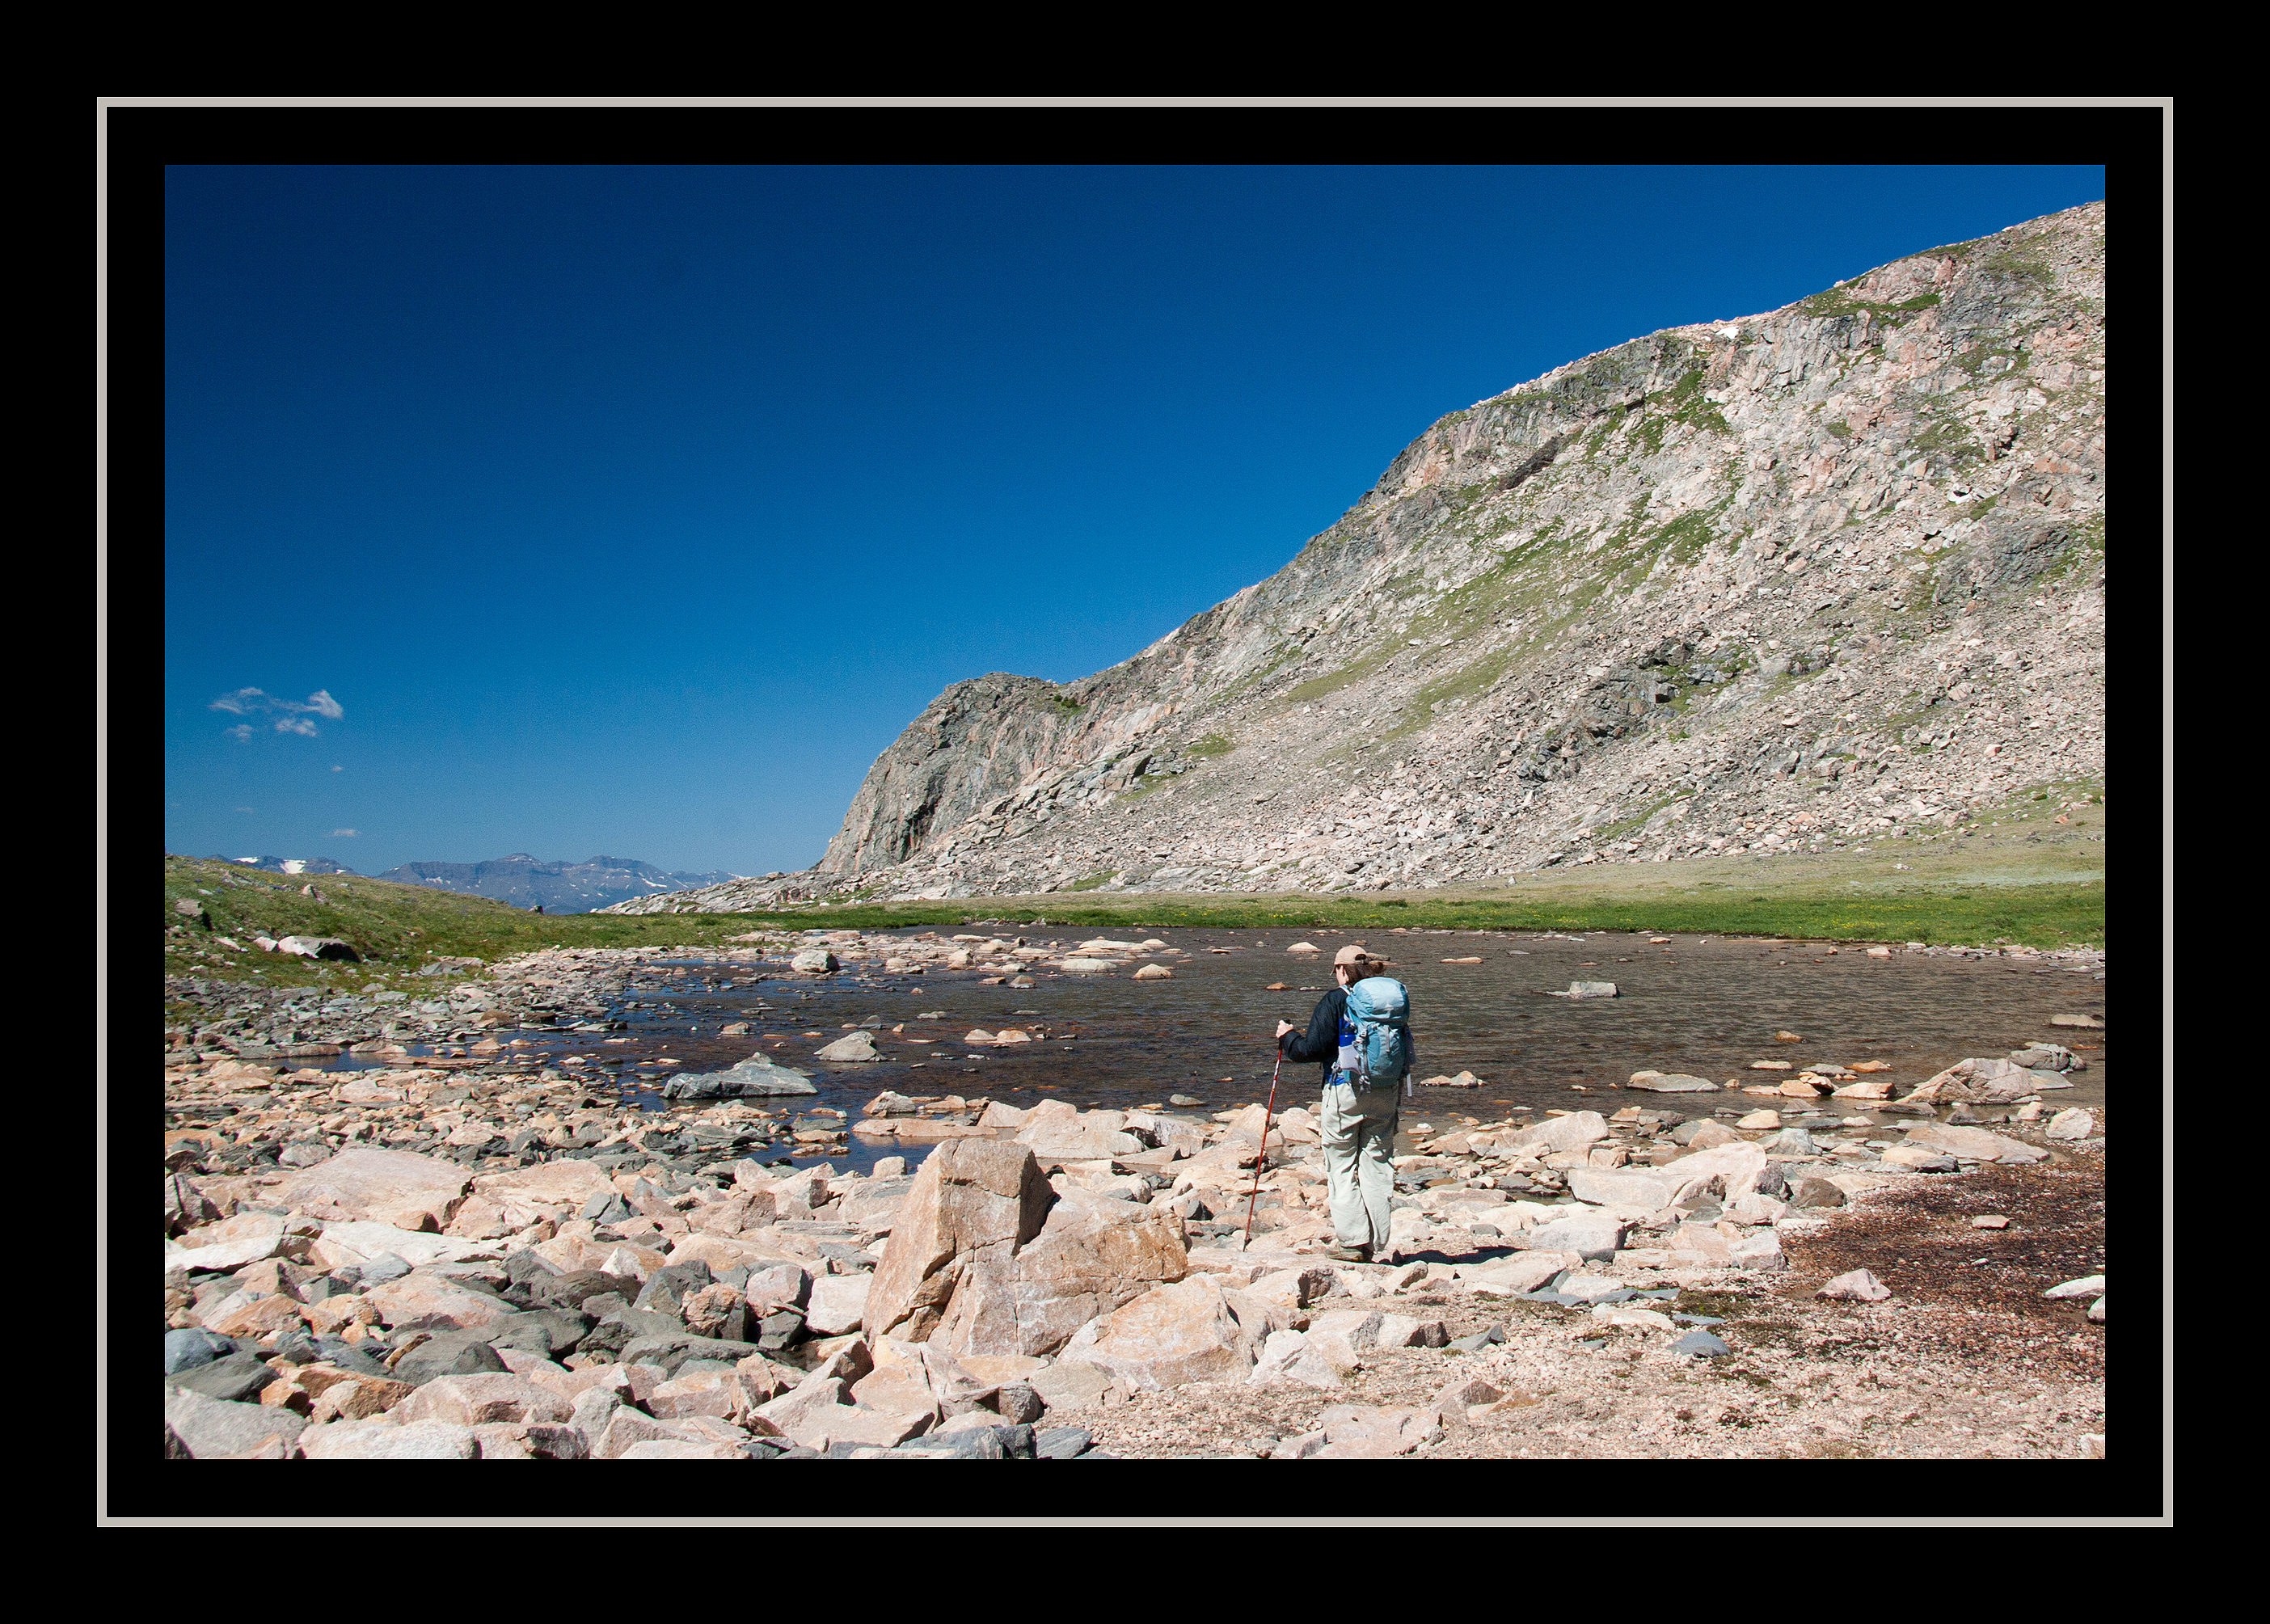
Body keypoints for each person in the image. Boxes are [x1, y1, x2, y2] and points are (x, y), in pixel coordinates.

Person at [1275, 944, 1408, 1263]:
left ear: (1342, 970)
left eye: (1335, 969)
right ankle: (1377, 1241)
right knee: (1377, 1163)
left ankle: (1352, 1243)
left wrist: (1287, 1036)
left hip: (1344, 1090)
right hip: (1386, 1089)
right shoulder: (1389, 1002)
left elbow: (1311, 1050)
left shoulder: (1336, 1000)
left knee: (1341, 1165)